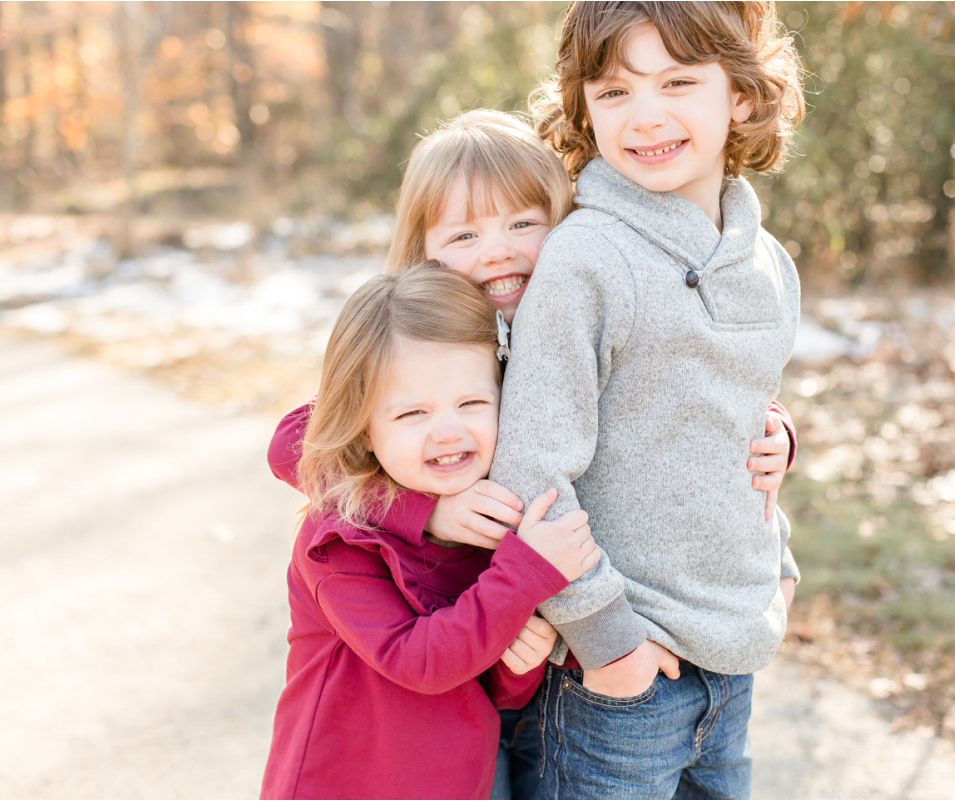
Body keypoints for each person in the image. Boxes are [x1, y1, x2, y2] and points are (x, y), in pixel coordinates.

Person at [268, 109, 798, 799]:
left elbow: (679, 387)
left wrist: (778, 427)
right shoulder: (432, 347)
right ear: (422, 252)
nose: (498, 252)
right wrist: (420, 507)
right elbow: (297, 439)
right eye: (464, 234)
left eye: (523, 223)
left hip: (504, 661)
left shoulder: (580, 305)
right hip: (428, 694)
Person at [484, 2, 807, 798]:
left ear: (740, 94)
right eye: (616, 91)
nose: (647, 116)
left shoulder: (766, 263)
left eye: (678, 82)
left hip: (731, 659)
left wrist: (781, 566)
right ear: (583, 107)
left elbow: (737, 429)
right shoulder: (586, 260)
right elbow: (534, 477)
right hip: (619, 679)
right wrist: (608, 641)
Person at [259, 263, 602, 800]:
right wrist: (527, 573)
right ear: (363, 429)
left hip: (461, 779)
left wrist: (520, 664)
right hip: (347, 781)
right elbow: (420, 662)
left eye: (471, 403)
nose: (448, 431)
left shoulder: (489, 520)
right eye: (412, 413)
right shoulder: (337, 544)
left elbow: (485, 684)